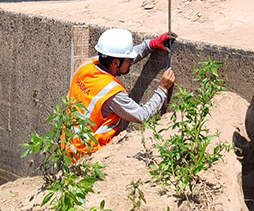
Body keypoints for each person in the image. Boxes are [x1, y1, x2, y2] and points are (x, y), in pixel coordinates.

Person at [65, 27, 177, 158]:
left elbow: (119, 58)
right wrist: (162, 89)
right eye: (129, 60)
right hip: (87, 153)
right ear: (115, 62)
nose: (130, 63)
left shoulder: (87, 65)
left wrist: (150, 45)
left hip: (69, 146)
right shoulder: (111, 92)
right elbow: (143, 116)